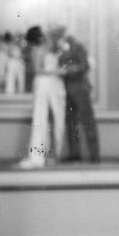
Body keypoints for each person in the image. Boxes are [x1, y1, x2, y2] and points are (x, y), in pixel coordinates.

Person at [17, 25, 66, 168]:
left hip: (53, 83)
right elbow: (37, 70)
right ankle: (37, 155)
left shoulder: (48, 46)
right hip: (44, 82)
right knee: (40, 117)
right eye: (42, 33)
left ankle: (53, 154)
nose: (44, 35)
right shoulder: (37, 50)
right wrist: (56, 72)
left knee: (55, 116)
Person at [57, 31, 100, 162]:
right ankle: (74, 154)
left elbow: (85, 65)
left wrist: (70, 69)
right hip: (66, 90)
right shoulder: (58, 48)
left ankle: (95, 155)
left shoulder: (78, 47)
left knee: (88, 121)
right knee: (71, 123)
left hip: (80, 89)